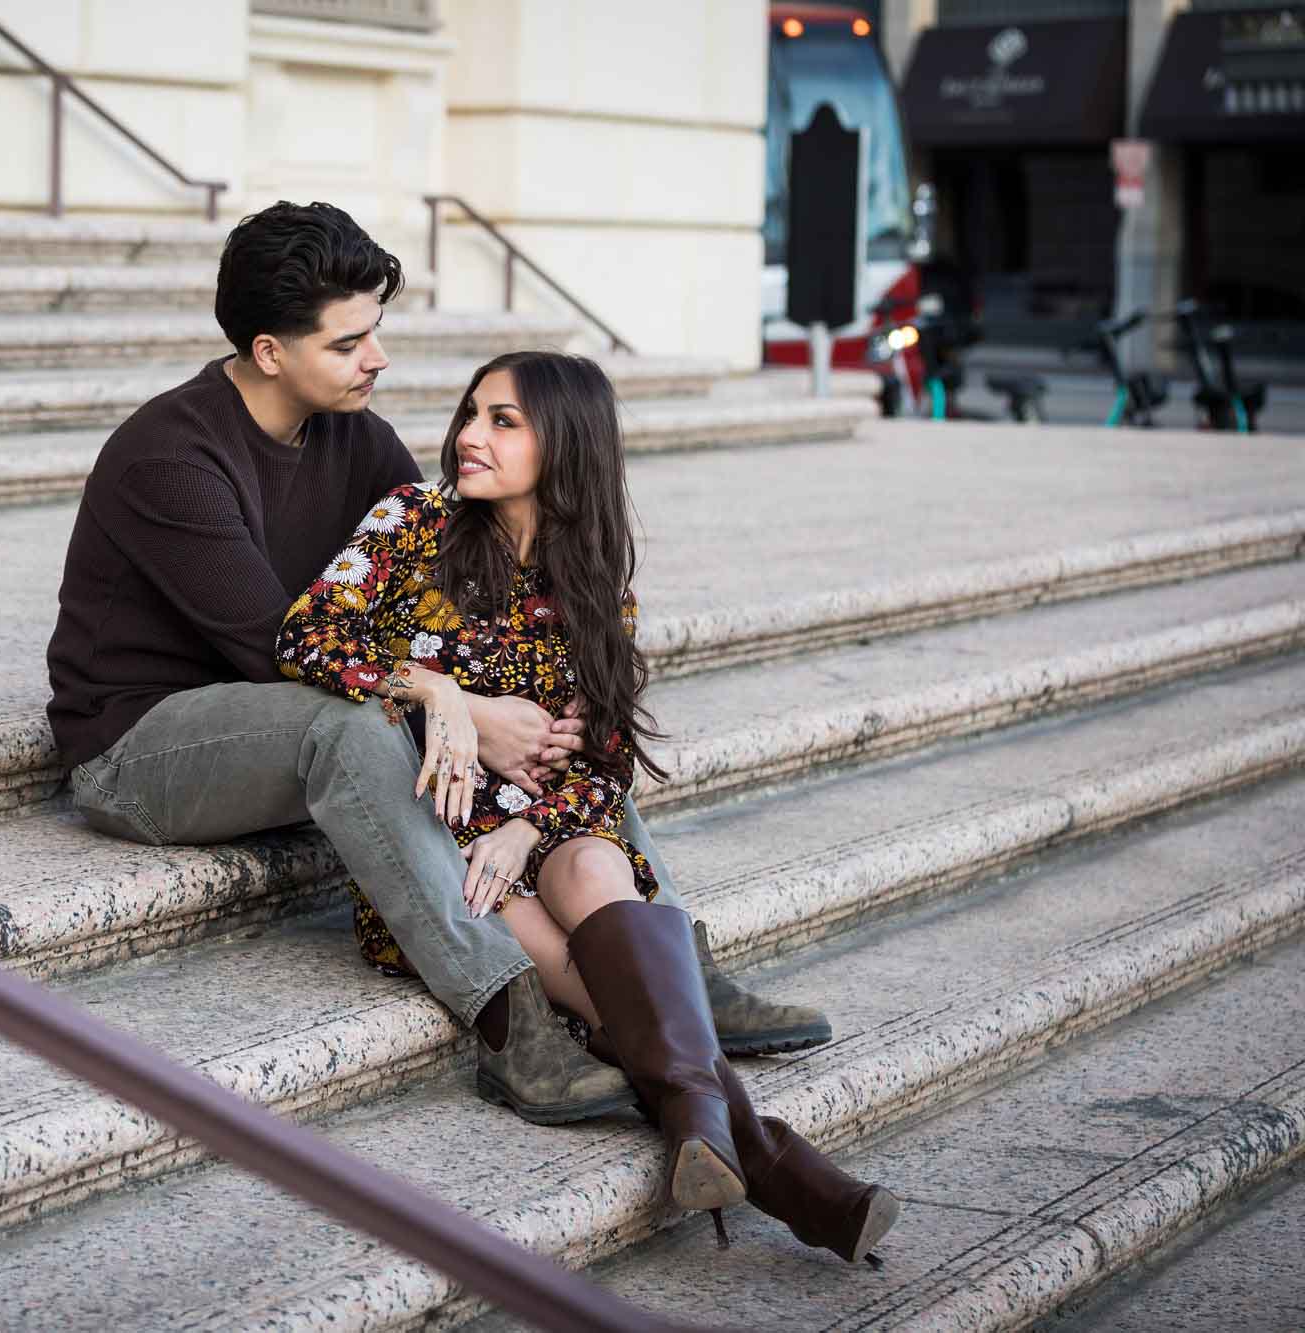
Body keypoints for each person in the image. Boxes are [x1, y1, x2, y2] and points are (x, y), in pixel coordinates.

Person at [46, 200, 827, 1131]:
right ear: (268, 352)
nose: (376, 359)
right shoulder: (170, 456)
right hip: (146, 744)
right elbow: (280, 646)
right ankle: (510, 1021)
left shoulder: (357, 436)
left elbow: (435, 582)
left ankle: (673, 972)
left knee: (559, 729)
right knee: (354, 721)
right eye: (349, 344)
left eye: (376, 333)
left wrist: (534, 718)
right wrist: (449, 697)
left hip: (299, 705)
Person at [276, 350, 899, 1261]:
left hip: (541, 828)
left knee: (601, 860)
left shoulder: (596, 579)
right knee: (552, 936)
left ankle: (712, 1125)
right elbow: (305, 635)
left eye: (503, 422)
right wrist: (441, 696)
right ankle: (760, 1149)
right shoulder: (414, 521)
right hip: (434, 842)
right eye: (472, 414)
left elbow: (605, 757)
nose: (468, 438)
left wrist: (533, 821)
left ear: (564, 446)